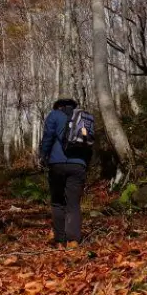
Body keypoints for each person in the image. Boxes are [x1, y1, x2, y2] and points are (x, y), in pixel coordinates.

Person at [37, 98, 92, 245]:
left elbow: (48, 137)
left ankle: (60, 241)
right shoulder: (83, 116)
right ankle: (73, 242)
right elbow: (89, 142)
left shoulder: (54, 115)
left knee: (57, 202)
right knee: (73, 203)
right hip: (78, 165)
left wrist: (43, 156)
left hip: (57, 163)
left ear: (58, 106)